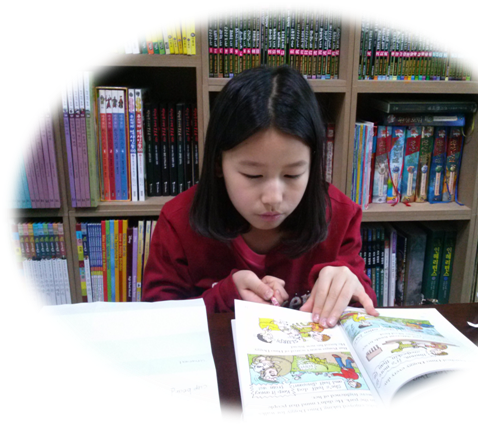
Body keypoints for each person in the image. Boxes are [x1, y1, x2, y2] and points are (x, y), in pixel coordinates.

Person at [143, 65, 379, 327]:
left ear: (312, 165)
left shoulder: (340, 215)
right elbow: (157, 320)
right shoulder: (179, 221)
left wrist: (348, 288)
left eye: (292, 175)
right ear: (218, 163)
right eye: (253, 175)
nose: (273, 198)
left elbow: (366, 309)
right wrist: (223, 296)